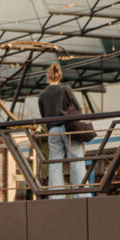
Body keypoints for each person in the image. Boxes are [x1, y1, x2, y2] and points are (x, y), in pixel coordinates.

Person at [38, 63, 87, 196]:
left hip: (53, 130)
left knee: (54, 162)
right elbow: (78, 108)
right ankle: (82, 194)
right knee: (76, 159)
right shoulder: (65, 89)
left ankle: (56, 195)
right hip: (68, 128)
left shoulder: (42, 95)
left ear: (48, 78)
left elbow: (43, 116)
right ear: (60, 77)